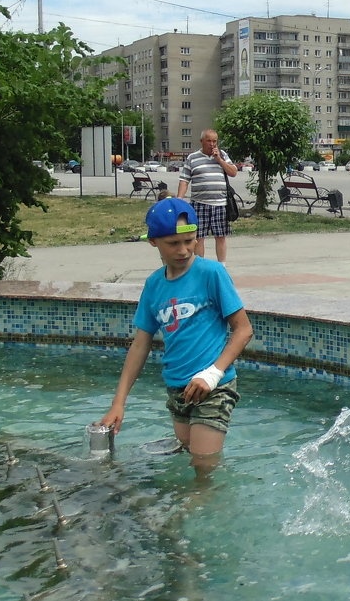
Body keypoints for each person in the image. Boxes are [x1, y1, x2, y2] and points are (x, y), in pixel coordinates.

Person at [100, 198, 253, 477]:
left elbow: (243, 329)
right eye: (173, 243)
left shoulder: (212, 273)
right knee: (190, 457)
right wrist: (119, 402)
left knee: (203, 467)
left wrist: (212, 374)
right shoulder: (154, 284)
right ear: (153, 242)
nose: (183, 250)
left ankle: (193, 513)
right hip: (177, 389)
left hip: (213, 387)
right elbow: (141, 343)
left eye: (190, 241)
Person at [177, 129, 238, 264]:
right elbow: (184, 180)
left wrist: (219, 160)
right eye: (209, 141)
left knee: (220, 236)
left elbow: (233, 172)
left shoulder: (222, 155)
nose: (212, 144)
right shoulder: (192, 158)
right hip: (199, 203)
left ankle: (221, 266)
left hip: (220, 203)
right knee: (199, 237)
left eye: (214, 141)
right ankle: (200, 266)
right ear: (202, 141)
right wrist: (179, 200)